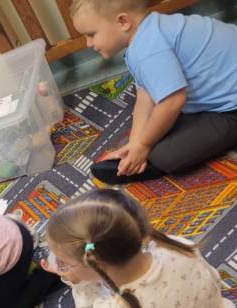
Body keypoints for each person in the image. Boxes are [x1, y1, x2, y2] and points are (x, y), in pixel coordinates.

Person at [44, 189, 236, 308]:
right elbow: (214, 279)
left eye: (64, 263)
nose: (62, 265)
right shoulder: (176, 246)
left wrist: (80, 285)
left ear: (95, 263)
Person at [69, 0, 237, 183]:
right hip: (224, 88)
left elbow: (173, 102)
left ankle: (152, 162)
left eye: (91, 34)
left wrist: (144, 145)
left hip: (232, 109)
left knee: (165, 155)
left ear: (123, 22)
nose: (88, 43)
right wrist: (135, 142)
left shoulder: (147, 49)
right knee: (156, 123)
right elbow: (145, 96)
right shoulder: (151, 30)